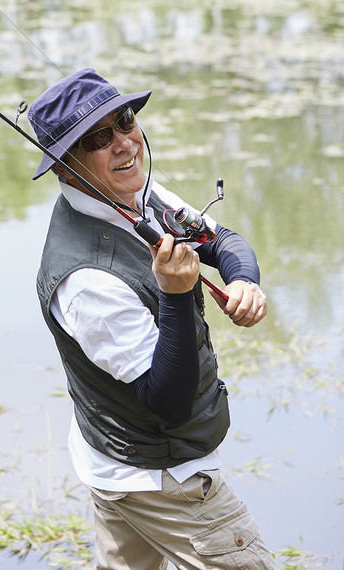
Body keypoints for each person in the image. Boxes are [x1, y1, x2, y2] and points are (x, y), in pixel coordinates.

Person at [30, 67, 274, 570]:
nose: (124, 143)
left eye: (125, 120)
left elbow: (221, 240)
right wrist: (177, 295)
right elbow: (170, 400)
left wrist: (244, 280)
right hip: (159, 476)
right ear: (65, 166)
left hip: (109, 461)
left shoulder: (138, 195)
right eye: (99, 137)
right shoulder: (86, 283)